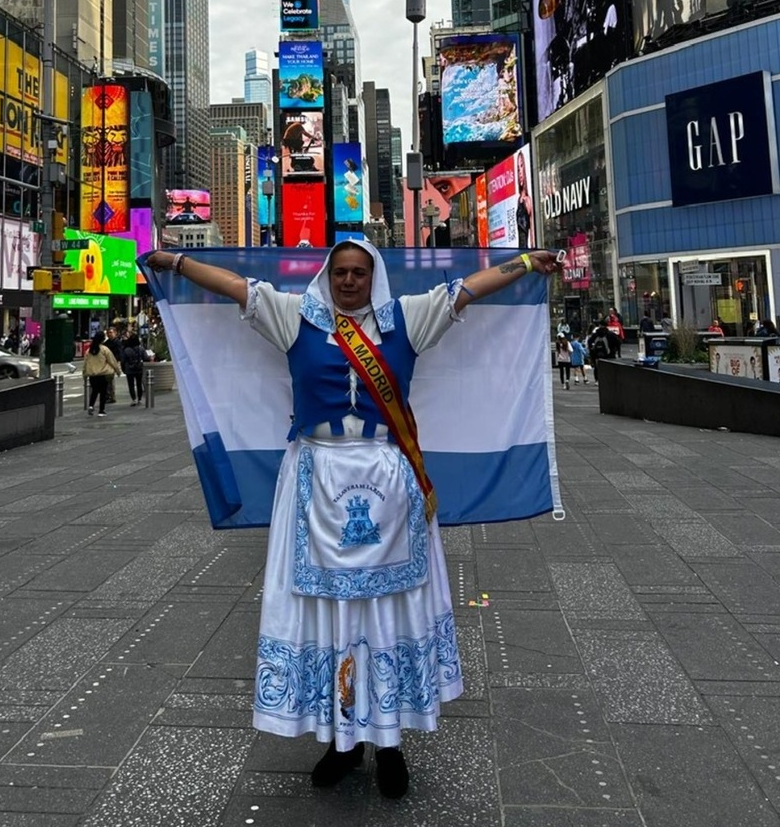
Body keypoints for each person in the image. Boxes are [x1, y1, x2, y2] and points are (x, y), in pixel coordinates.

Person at [145, 239, 563, 798]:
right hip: (315, 477)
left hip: (389, 481)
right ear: (328, 275)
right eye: (339, 272)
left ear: (373, 276)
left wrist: (528, 265)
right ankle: (343, 743)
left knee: (387, 610)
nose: (347, 281)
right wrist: (175, 263)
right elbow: (234, 288)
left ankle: (390, 743)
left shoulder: (405, 319)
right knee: (330, 614)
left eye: (357, 273)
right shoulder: (296, 316)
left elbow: (468, 290)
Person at [81, 331, 121, 417]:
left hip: (92, 375)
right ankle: (101, 410)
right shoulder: (104, 349)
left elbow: (85, 363)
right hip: (103, 374)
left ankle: (91, 406)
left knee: (94, 391)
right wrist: (117, 371)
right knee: (103, 392)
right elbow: (112, 361)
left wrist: (84, 374)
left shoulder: (89, 350)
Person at [515, 151, 534, 248]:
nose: (520, 173)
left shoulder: (528, 200)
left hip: (526, 250)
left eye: (521, 166)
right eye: (518, 169)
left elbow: (532, 231)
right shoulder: (519, 200)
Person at [121, 333, 145, 405]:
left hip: (129, 369)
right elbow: (145, 358)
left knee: (131, 384)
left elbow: (123, 360)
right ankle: (140, 399)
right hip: (139, 368)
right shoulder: (141, 349)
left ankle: (134, 399)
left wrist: (123, 369)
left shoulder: (126, 350)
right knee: (139, 384)